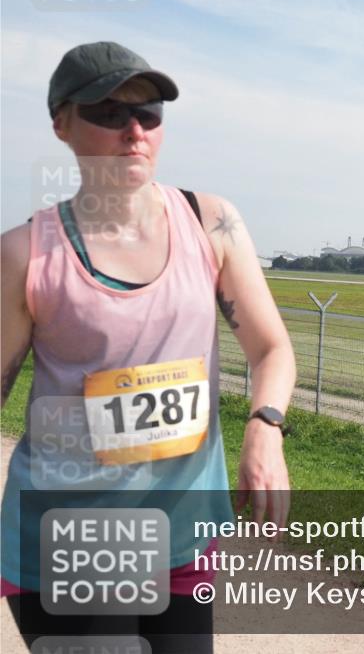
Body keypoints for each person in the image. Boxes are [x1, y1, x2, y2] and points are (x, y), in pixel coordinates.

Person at [0, 41, 296, 652]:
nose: (134, 130)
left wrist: (265, 427)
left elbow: (272, 349)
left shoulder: (212, 223)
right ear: (61, 124)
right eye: (108, 113)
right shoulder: (25, 255)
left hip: (181, 534)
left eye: (149, 112)